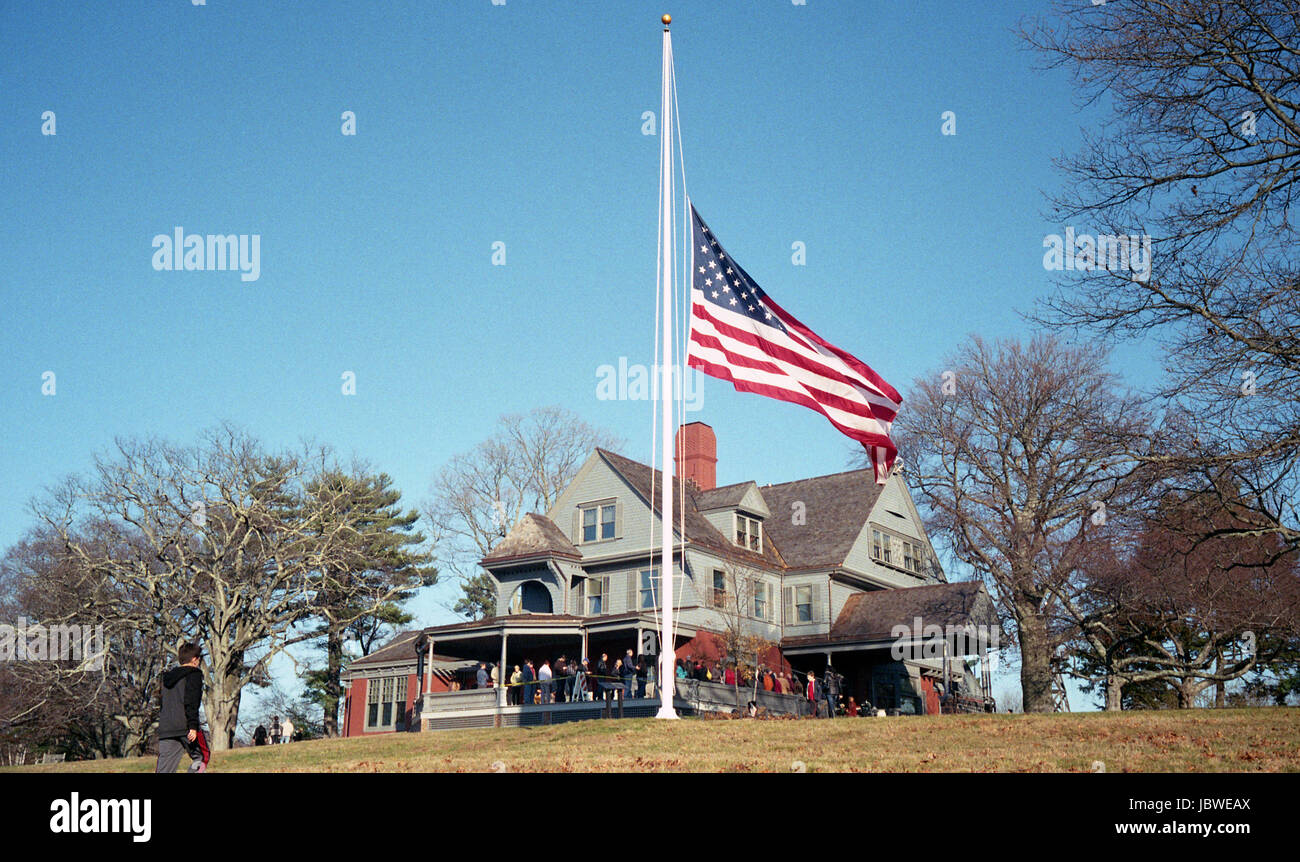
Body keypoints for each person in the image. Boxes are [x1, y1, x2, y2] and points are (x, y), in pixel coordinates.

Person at [156, 642, 206, 773]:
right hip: (185, 727)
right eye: (199, 659)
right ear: (195, 660)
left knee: (164, 769)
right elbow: (191, 701)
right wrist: (193, 726)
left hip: (166, 727)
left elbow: (162, 702)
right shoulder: (194, 674)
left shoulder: (166, 678)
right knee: (202, 758)